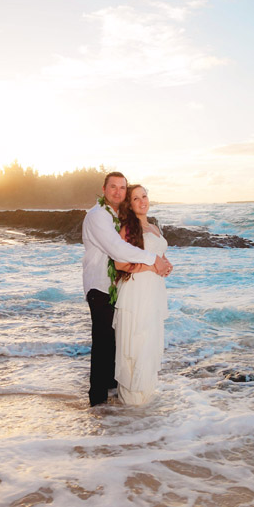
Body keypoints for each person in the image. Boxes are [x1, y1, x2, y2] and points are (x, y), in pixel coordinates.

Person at [82, 172, 172, 406]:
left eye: (122, 188)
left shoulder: (118, 218)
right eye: (113, 187)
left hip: (122, 288)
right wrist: (153, 262)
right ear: (103, 189)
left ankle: (117, 407)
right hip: (100, 286)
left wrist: (161, 263)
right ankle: (98, 405)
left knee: (120, 343)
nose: (118, 192)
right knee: (105, 345)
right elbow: (118, 251)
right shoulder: (98, 216)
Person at [112, 184, 169, 406]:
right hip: (136, 290)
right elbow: (120, 263)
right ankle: (131, 408)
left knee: (149, 342)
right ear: (130, 204)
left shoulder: (154, 228)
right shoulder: (128, 228)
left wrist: (165, 265)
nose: (142, 201)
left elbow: (158, 256)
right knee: (135, 344)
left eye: (144, 196)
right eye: (136, 198)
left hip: (154, 290)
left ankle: (146, 404)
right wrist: (151, 267)